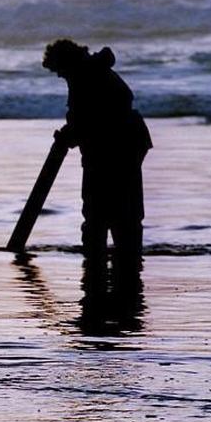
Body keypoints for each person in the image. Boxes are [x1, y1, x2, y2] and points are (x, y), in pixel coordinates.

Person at [42, 39, 151, 276]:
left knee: (100, 210)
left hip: (115, 147)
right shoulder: (91, 72)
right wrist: (71, 133)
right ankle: (123, 259)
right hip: (127, 142)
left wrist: (70, 134)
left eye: (58, 69)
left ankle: (100, 261)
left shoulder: (83, 76)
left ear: (66, 63)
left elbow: (88, 117)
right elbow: (85, 116)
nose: (59, 75)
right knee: (121, 208)